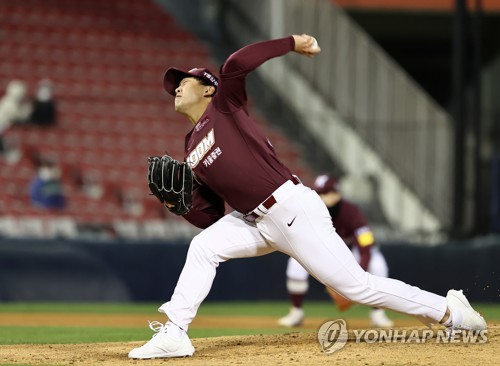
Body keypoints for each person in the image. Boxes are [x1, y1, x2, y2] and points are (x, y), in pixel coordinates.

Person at [128, 34, 486, 359]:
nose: (175, 88)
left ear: (207, 88)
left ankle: (451, 311)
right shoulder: (190, 146)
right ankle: (175, 331)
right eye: (173, 85)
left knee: (356, 287)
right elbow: (210, 215)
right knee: (204, 246)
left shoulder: (225, 106)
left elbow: (236, 65)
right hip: (253, 221)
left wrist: (293, 42)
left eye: (183, 81)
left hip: (290, 208)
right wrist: (179, 206)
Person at [278, 174, 393, 328]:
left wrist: (356, 278)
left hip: (353, 251)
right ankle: (296, 312)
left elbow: (365, 248)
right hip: (325, 250)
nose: (321, 197)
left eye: (325, 193)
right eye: (318, 193)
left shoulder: (351, 212)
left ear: (336, 194)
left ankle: (378, 314)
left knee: (378, 266)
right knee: (295, 263)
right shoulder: (311, 210)